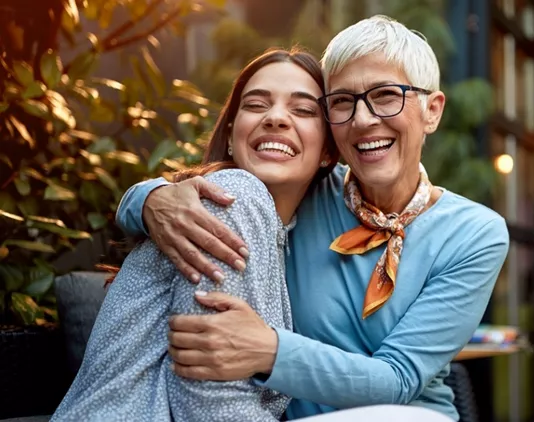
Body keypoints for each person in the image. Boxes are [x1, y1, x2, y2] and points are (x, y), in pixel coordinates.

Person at [116, 15, 510, 420]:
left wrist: (268, 349)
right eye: (342, 101)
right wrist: (149, 199)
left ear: (432, 111)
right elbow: (220, 190)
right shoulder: (305, 190)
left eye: (387, 95)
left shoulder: (475, 234)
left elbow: (399, 379)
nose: (362, 120)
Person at [51, 48, 337, 421]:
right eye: (256, 105)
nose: (276, 118)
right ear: (232, 137)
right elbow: (210, 400)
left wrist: (141, 197)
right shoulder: (235, 195)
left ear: (329, 150)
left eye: (302, 110)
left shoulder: (290, 233)